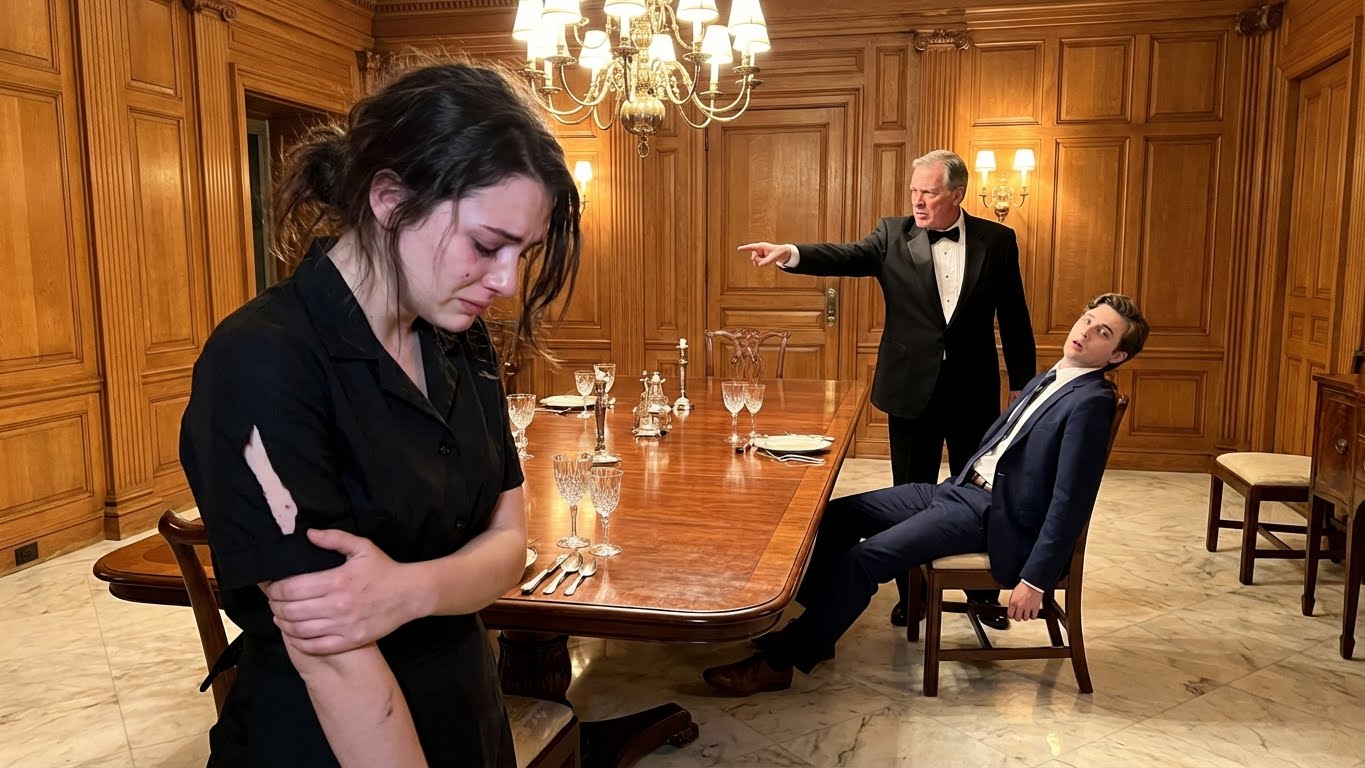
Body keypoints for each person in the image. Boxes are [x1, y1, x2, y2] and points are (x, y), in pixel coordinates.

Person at [178, 59, 580, 766]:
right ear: (390, 200)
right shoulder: (261, 360)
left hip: (466, 709)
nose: (508, 282)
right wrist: (443, 584)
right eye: (487, 245)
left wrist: (405, 590)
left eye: (525, 253)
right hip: (328, 739)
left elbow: (508, 545)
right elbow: (333, 659)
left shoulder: (459, 339)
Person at [701, 293, 1149, 697]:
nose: (1085, 331)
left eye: (1103, 333)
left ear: (1117, 355)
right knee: (835, 516)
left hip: (990, 513)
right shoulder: (1054, 376)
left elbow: (1071, 499)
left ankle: (782, 663)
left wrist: (1036, 579)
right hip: (956, 491)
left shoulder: (1091, 401)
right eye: (1088, 320)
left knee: (866, 559)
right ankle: (820, 628)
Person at [739, 149, 1037, 628]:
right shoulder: (892, 234)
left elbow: (1015, 316)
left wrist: (1023, 385)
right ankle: (911, 595)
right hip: (910, 389)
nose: (918, 201)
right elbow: (845, 256)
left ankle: (982, 596)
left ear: (957, 194)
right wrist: (789, 253)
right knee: (907, 495)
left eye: (929, 192)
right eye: (914, 191)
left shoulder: (998, 240)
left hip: (974, 392)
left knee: (982, 494)